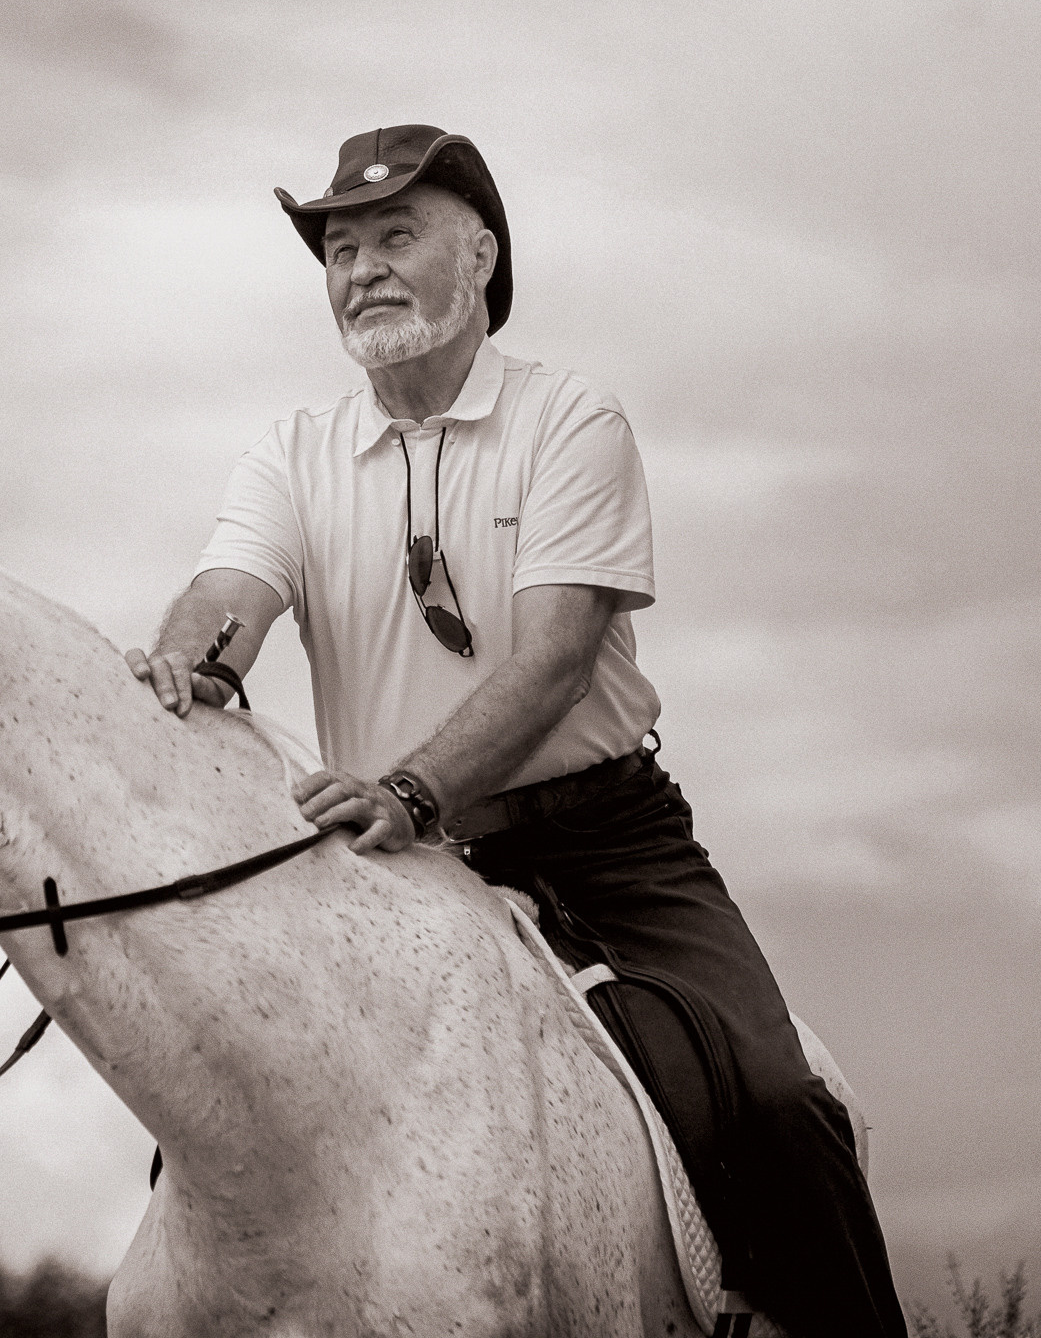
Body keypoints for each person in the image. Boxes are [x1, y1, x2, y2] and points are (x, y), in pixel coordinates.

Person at [123, 125, 906, 1338]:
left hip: (607, 847)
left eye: (397, 234)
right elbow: (231, 598)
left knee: (772, 1103)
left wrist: (416, 785)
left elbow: (552, 660)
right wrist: (190, 660)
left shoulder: (571, 421)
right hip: (389, 869)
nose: (362, 268)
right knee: (223, 1140)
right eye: (340, 247)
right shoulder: (291, 450)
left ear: (481, 252)